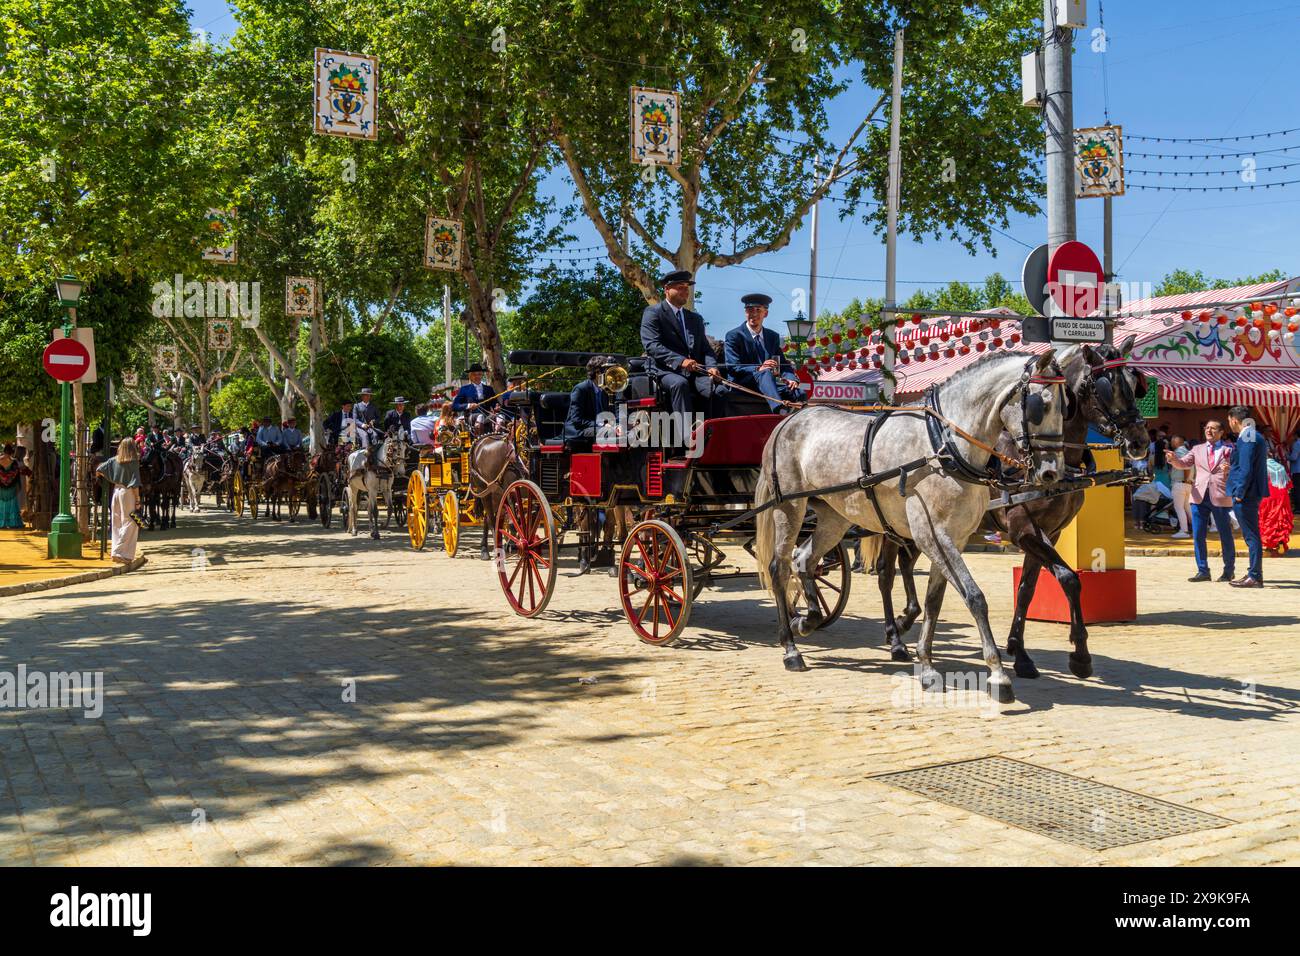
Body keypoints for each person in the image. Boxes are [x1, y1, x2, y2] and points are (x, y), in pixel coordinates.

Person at [640, 270, 727, 418]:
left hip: (695, 372)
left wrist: (712, 367)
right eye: (680, 287)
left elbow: (706, 349)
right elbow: (652, 345)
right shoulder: (653, 313)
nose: (685, 291)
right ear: (667, 289)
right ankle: (686, 437)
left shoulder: (695, 318)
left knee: (719, 390)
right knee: (680, 384)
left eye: (687, 287)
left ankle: (710, 435)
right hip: (665, 371)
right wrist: (680, 361)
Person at [723, 293, 804, 413]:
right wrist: (759, 368)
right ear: (745, 312)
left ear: (765, 313)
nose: (753, 314)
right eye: (750, 310)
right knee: (765, 373)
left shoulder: (772, 336)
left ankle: (804, 417)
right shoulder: (734, 335)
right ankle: (778, 410)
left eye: (758, 310)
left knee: (797, 391)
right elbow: (733, 367)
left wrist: (791, 379)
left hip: (769, 385)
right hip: (743, 384)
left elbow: (783, 364)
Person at [1225, 405, 1269, 588]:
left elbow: (1247, 468)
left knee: (1251, 536)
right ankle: (1253, 573)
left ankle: (1255, 575)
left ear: (1234, 420)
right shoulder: (1250, 435)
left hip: (1246, 494)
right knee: (1251, 535)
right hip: (1248, 492)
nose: (1230, 424)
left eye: (1229, 421)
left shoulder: (1248, 436)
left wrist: (1240, 493)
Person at [1186, 420, 1236, 583]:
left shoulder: (1229, 450)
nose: (1209, 430)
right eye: (1207, 428)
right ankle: (1202, 570)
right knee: (1198, 534)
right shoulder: (1197, 449)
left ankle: (1228, 571)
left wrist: (1230, 470)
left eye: (1213, 428)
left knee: (1225, 534)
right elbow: (1183, 463)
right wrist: (1173, 460)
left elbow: (1239, 469)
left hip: (1220, 495)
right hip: (1199, 495)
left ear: (1221, 432)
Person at [95, 438, 141, 564]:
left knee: (116, 522)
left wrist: (111, 478)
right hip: (128, 492)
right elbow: (135, 483)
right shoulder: (133, 461)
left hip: (116, 491)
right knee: (131, 522)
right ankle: (119, 551)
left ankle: (119, 553)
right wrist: (137, 499)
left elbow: (99, 469)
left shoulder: (113, 460)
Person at [564, 355, 613, 447]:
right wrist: (602, 425)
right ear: (598, 373)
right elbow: (576, 420)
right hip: (578, 430)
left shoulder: (604, 390)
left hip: (594, 427)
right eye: (608, 373)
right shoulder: (580, 389)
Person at [1165, 435, 1193, 539]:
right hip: (1187, 484)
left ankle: (1184, 531)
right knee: (1187, 508)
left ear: (1177, 441)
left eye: (1172, 441)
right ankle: (1197, 529)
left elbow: (1186, 467)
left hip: (1180, 483)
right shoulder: (1188, 451)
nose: (1171, 443)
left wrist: (1185, 479)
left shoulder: (1179, 452)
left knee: (1179, 508)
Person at [0, 444, 32, 529]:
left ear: (4, 451)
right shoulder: (15, 462)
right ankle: (13, 523)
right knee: (12, 504)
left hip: (1, 488)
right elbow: (25, 470)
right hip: (12, 488)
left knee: (2, 504)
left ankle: (1, 523)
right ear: (12, 452)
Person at [1289, 432, 1300, 513]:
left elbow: (1294, 457)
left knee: (1297, 488)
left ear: (1296, 435)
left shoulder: (1297, 444)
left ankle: (1298, 508)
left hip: (1297, 470)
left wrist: (1285, 456)